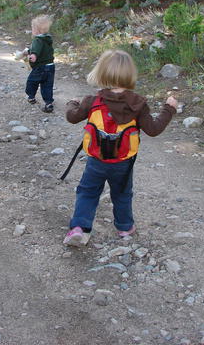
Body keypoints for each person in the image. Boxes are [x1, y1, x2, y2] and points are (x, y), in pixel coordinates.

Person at [63, 49, 178, 246]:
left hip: (96, 161)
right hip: (123, 163)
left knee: (88, 192)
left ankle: (80, 228)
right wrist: (169, 109)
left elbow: (72, 117)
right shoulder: (138, 105)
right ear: (130, 75)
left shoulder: (92, 101)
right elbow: (153, 129)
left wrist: (72, 102)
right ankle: (125, 227)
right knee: (122, 194)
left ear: (101, 73)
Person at [25, 15, 55, 112]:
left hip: (40, 67)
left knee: (32, 81)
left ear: (37, 30)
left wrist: (32, 56)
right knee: (47, 85)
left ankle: (31, 97)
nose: (32, 30)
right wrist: (29, 51)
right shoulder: (48, 39)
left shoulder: (37, 40)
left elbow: (36, 51)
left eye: (32, 28)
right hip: (50, 66)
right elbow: (43, 49)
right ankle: (48, 103)